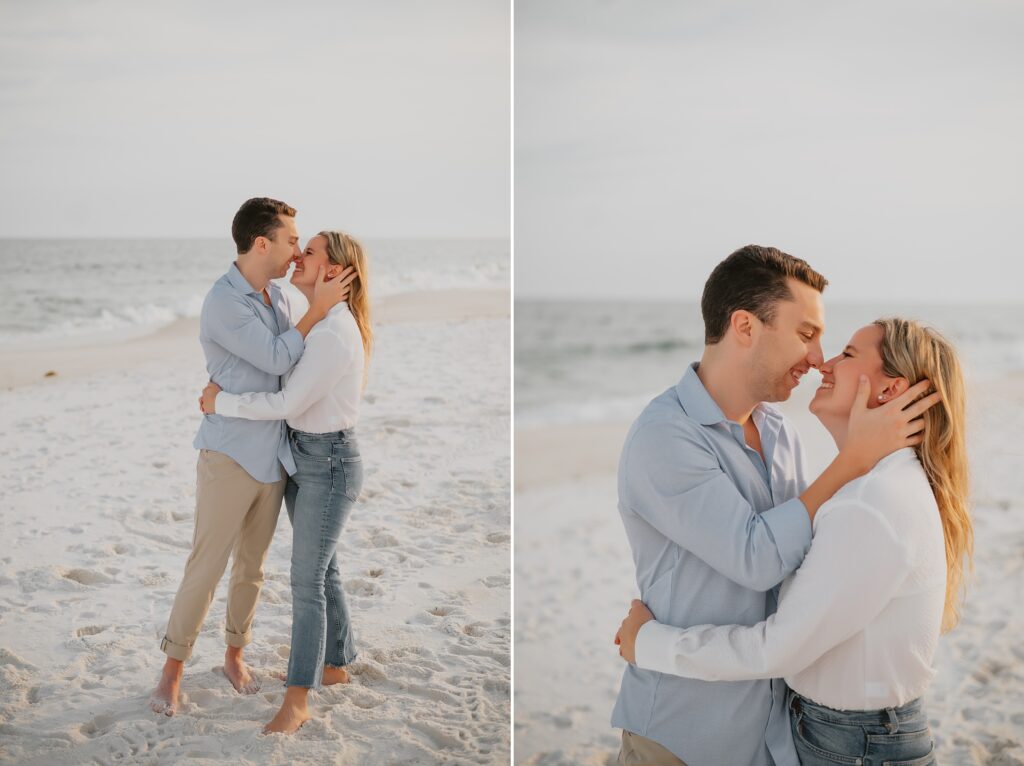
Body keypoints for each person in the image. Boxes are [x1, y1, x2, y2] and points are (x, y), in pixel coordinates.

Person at [608, 246, 940, 766]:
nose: (816, 358)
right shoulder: (664, 437)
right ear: (744, 326)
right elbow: (758, 559)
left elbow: (813, 555)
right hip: (682, 731)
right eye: (806, 334)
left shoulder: (780, 432)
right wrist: (851, 461)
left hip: (773, 734)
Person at [149, 199, 354, 717]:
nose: (294, 251)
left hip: (277, 455)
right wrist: (319, 309)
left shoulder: (280, 297)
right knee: (206, 565)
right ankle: (171, 672)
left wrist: (317, 312)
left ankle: (234, 656)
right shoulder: (224, 302)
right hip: (230, 454)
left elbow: (298, 369)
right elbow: (280, 357)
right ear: (262, 243)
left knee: (252, 569)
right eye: (290, 241)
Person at [200, 230, 371, 735]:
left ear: (335, 272)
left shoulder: (335, 333)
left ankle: (298, 700)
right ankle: (336, 662)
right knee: (326, 569)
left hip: (329, 464)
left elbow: (284, 404)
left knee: (307, 582)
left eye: (310, 251)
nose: (299, 255)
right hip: (307, 458)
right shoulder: (320, 326)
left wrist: (219, 402)